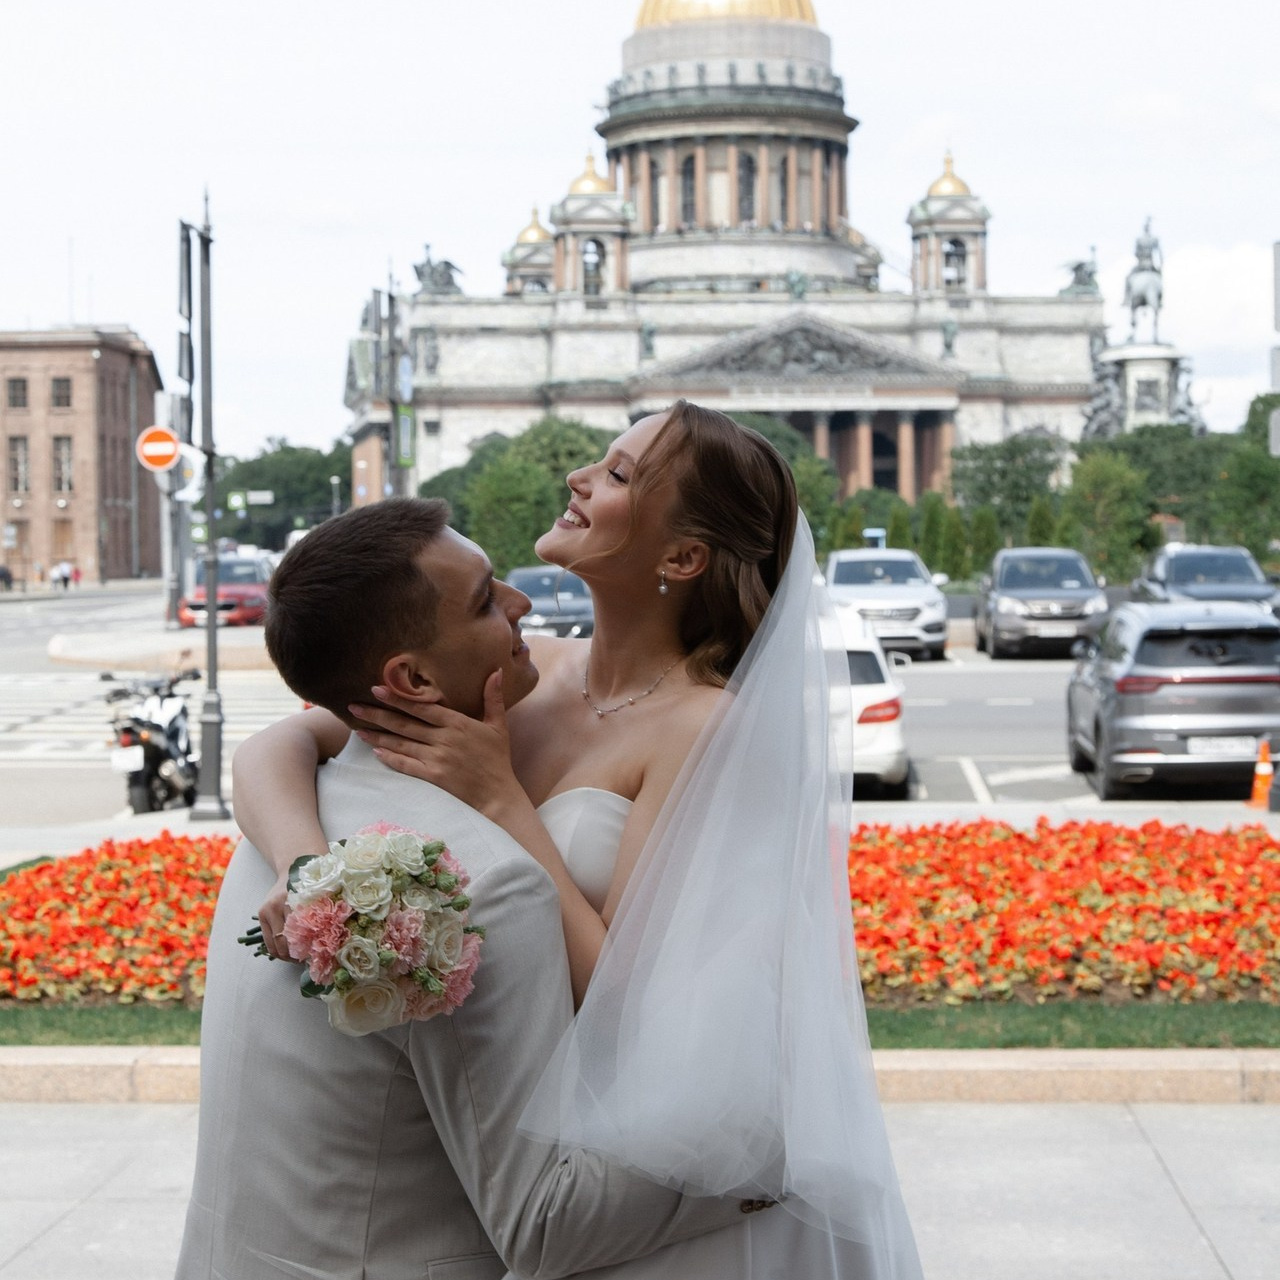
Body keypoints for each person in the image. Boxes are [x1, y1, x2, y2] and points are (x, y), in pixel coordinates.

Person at [234, 401, 923, 1279]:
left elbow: (635, 1003)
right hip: (514, 1144)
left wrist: (503, 804)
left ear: (681, 557)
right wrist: (308, 872)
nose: (580, 477)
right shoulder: (527, 670)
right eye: (602, 459)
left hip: (626, 1169)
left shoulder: (705, 727)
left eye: (621, 474)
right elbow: (280, 744)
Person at [176, 496, 755, 1280]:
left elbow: (287, 739)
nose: (519, 602)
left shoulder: (297, 818)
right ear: (410, 678)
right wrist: (752, 1161)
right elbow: (542, 1224)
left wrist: (298, 860)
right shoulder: (481, 890)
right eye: (486, 600)